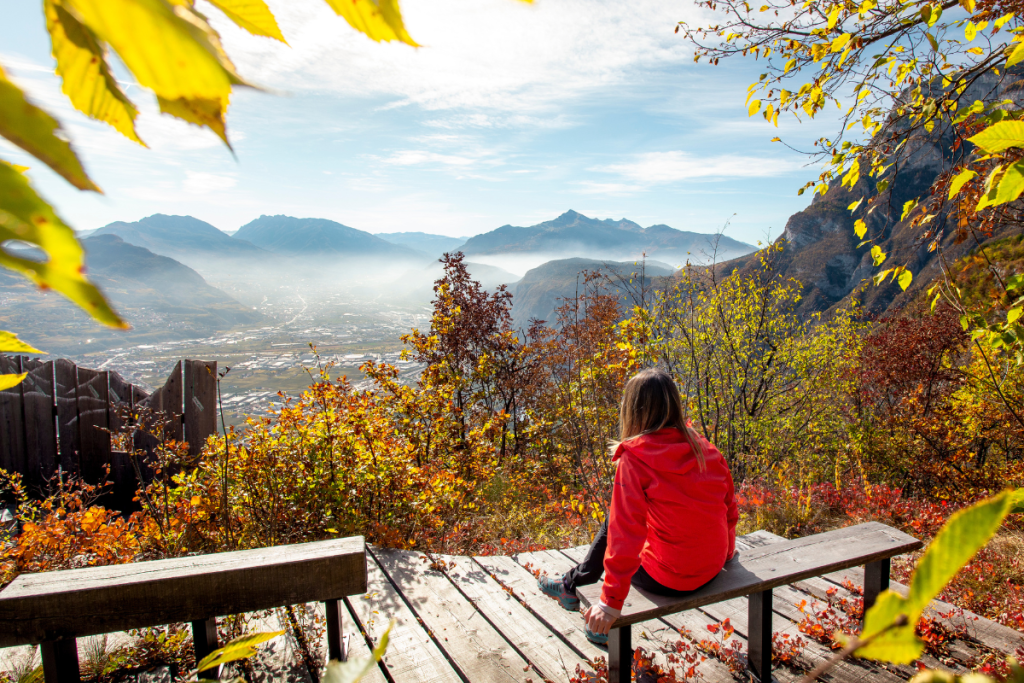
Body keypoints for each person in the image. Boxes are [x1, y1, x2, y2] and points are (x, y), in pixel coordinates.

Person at [538, 368, 738, 644]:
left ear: (632, 409)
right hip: (712, 568)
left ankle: (573, 590)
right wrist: (726, 554)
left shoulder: (635, 459)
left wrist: (610, 603)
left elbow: (625, 536)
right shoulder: (705, 449)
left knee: (615, 519)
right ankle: (572, 583)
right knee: (620, 517)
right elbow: (730, 509)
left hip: (668, 580)